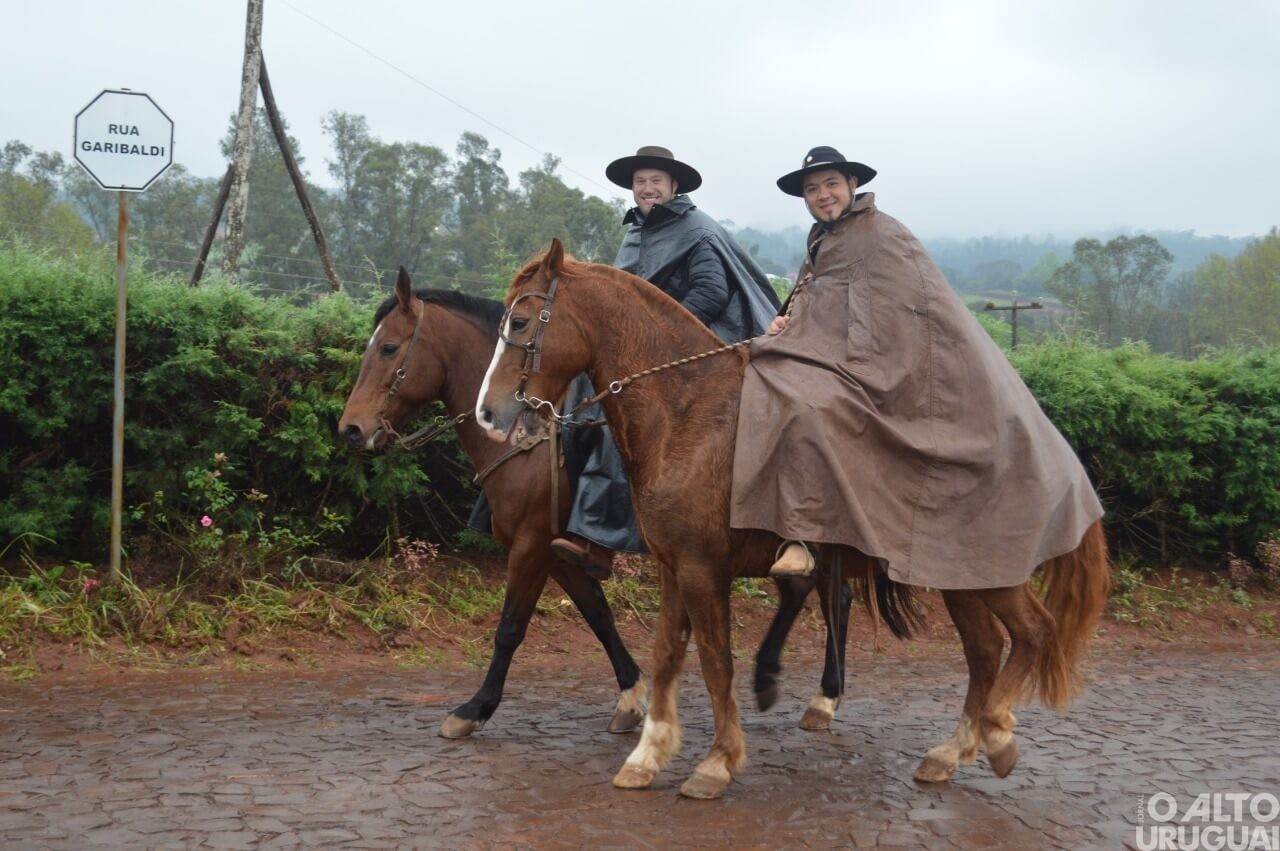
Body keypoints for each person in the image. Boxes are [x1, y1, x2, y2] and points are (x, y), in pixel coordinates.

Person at [731, 146, 1103, 586]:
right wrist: (787, 323)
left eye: (831, 184)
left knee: (805, 410)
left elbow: (895, 314)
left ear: (852, 185)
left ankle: (805, 534)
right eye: (812, 189)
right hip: (829, 357)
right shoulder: (824, 240)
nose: (822, 195)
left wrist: (812, 337)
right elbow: (822, 303)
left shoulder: (883, 236)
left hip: (877, 367)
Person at [551, 146, 782, 577]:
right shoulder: (635, 233)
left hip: (704, 345)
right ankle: (566, 519)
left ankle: (600, 535)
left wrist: (655, 336)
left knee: (620, 416)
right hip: (643, 352)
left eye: (656, 180)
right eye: (640, 181)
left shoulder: (696, 230)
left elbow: (711, 293)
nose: (647, 188)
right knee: (578, 397)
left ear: (673, 186)